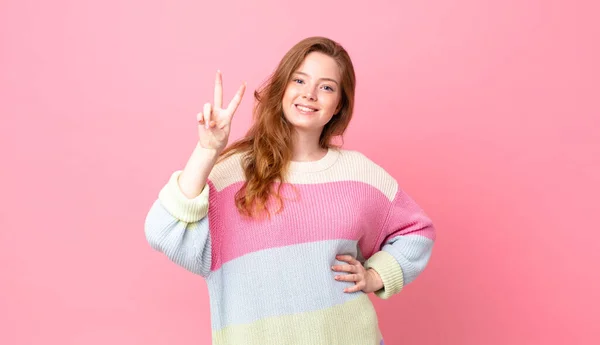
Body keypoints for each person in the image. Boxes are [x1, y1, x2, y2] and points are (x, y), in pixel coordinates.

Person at [144, 36, 436, 345]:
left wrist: (376, 276)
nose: (309, 94)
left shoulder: (360, 173)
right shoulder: (233, 172)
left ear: (339, 105)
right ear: (282, 87)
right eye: (299, 80)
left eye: (326, 87)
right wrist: (207, 150)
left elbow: (417, 231)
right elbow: (162, 230)